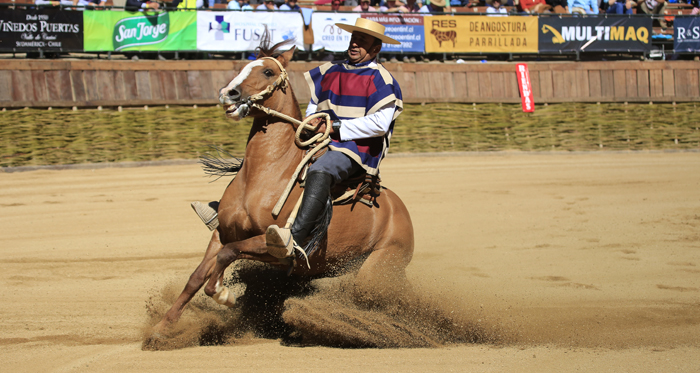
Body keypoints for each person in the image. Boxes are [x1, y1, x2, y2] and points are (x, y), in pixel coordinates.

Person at [264, 18, 403, 259]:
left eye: (363, 41)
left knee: (321, 170)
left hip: (355, 150)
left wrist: (336, 127)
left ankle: (294, 240)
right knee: (271, 155)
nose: (355, 44)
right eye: (354, 39)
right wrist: (313, 121)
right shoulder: (330, 70)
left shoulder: (383, 79)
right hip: (320, 138)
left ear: (376, 48)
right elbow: (314, 106)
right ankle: (230, 214)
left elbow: (380, 125)